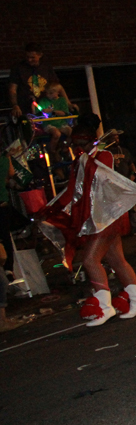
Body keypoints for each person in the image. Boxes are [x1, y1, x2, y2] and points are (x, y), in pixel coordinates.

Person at [41, 127, 136, 326]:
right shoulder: (81, 161)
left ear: (91, 142)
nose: (76, 148)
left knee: (90, 260)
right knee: (117, 260)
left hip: (106, 217)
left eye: (80, 144)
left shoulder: (104, 155)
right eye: (75, 145)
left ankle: (105, 307)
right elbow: (74, 189)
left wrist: (85, 160)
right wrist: (51, 209)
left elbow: (99, 179)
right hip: (95, 217)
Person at [8, 42, 70, 119]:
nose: (29, 60)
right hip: (26, 107)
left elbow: (57, 86)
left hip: (46, 105)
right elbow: (13, 89)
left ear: (40, 55)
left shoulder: (46, 66)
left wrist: (68, 103)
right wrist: (15, 105)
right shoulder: (18, 68)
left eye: (32, 57)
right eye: (27, 57)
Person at [106, 130, 136, 234]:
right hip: (114, 184)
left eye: (117, 138)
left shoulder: (124, 151)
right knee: (115, 208)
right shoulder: (106, 153)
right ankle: (117, 232)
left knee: (132, 206)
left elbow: (131, 164)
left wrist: (134, 174)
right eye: (113, 138)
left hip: (126, 182)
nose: (116, 140)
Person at [0, 150, 19, 331]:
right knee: (5, 241)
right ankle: (8, 270)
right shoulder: (4, 160)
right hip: (2, 206)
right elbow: (11, 175)